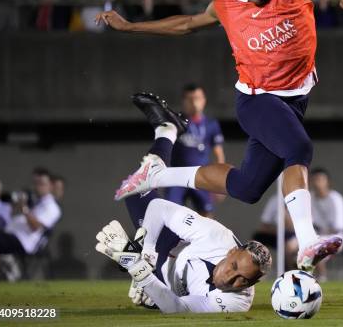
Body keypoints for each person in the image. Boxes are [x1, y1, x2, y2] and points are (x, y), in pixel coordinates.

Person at [96, 0, 343, 271]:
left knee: (247, 188)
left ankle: (159, 173)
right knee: (299, 148)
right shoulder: (226, 7)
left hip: (293, 103)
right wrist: (131, 26)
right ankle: (307, 242)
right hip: (257, 100)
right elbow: (185, 24)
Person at [96, 134, 271, 313]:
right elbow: (159, 208)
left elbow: (179, 308)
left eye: (243, 280)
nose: (229, 278)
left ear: (253, 283)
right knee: (135, 186)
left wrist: (138, 270)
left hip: (170, 289)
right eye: (233, 266)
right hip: (166, 251)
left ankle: (151, 286)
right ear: (232, 251)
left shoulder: (237, 303)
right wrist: (146, 256)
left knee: (160, 296)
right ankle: (167, 131)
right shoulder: (215, 236)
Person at [0, 168, 62, 283]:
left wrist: (24, 209)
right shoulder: (37, 202)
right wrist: (17, 206)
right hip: (11, 235)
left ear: (50, 185)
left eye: (41, 184)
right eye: (36, 183)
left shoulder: (51, 206)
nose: (37, 187)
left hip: (24, 241)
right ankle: (7, 270)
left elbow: (35, 227)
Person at [166, 84, 225, 217]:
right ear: (183, 101)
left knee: (206, 215)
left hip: (200, 176)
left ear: (204, 100)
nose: (194, 102)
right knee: (171, 212)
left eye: (197, 98)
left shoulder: (211, 124)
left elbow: (219, 155)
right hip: (177, 176)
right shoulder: (175, 121)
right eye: (189, 99)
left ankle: (207, 238)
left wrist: (219, 184)